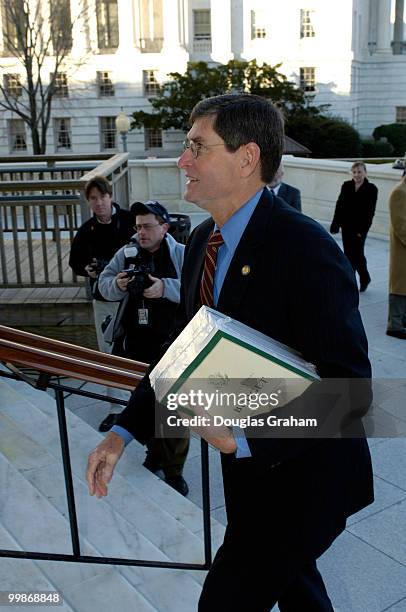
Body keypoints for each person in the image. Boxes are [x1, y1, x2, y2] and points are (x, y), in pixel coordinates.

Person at [86, 94, 374, 611]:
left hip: (305, 478)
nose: (182, 160)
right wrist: (124, 431)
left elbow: (350, 392)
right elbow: (180, 351)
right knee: (298, 591)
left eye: (197, 146)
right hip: (249, 478)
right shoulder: (202, 241)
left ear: (246, 159)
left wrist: (242, 436)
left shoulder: (305, 248)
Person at [97, 200, 189, 495]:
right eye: (137, 227)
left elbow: (198, 287)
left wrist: (164, 288)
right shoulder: (126, 254)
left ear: (164, 227)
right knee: (143, 402)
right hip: (135, 342)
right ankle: (155, 453)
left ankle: (173, 470)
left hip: (173, 343)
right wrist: (119, 285)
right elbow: (103, 284)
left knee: (173, 409)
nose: (141, 233)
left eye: (148, 226)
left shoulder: (182, 254)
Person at [69, 175, 134, 353]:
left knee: (133, 346)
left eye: (103, 197)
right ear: (88, 201)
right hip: (102, 296)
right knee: (107, 348)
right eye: (93, 198)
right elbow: (74, 262)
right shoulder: (86, 230)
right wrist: (87, 270)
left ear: (110, 196)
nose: (99, 203)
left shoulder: (131, 221)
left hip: (131, 294)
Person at [330, 161, 378, 292]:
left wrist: (362, 231)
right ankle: (361, 278)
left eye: (360, 172)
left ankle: (355, 280)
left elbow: (370, 212)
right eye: (355, 172)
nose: (357, 175)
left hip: (360, 229)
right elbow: (339, 205)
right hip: (346, 226)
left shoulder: (371, 189)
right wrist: (335, 224)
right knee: (349, 254)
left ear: (365, 173)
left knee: (357, 254)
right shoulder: (346, 186)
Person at [387, 171, 406, 339]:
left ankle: (401, 321)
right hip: (402, 251)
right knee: (399, 287)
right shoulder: (400, 191)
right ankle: (395, 325)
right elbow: (400, 226)